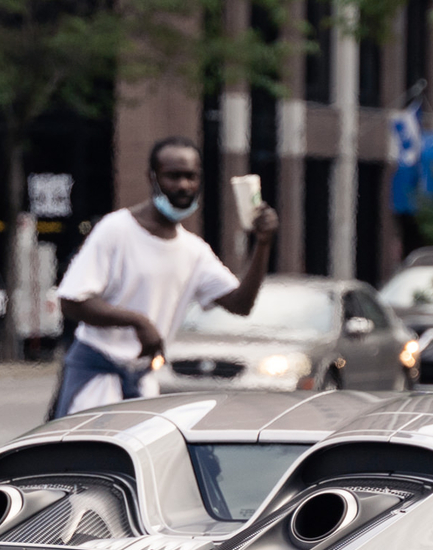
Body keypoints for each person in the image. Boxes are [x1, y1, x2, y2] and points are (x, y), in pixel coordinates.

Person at [53, 137, 278, 416]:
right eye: (173, 176)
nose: (183, 185)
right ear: (152, 178)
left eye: (191, 177)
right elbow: (72, 300)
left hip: (144, 380)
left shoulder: (193, 250)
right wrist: (137, 321)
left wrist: (263, 244)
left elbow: (241, 304)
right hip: (96, 380)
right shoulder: (116, 230)